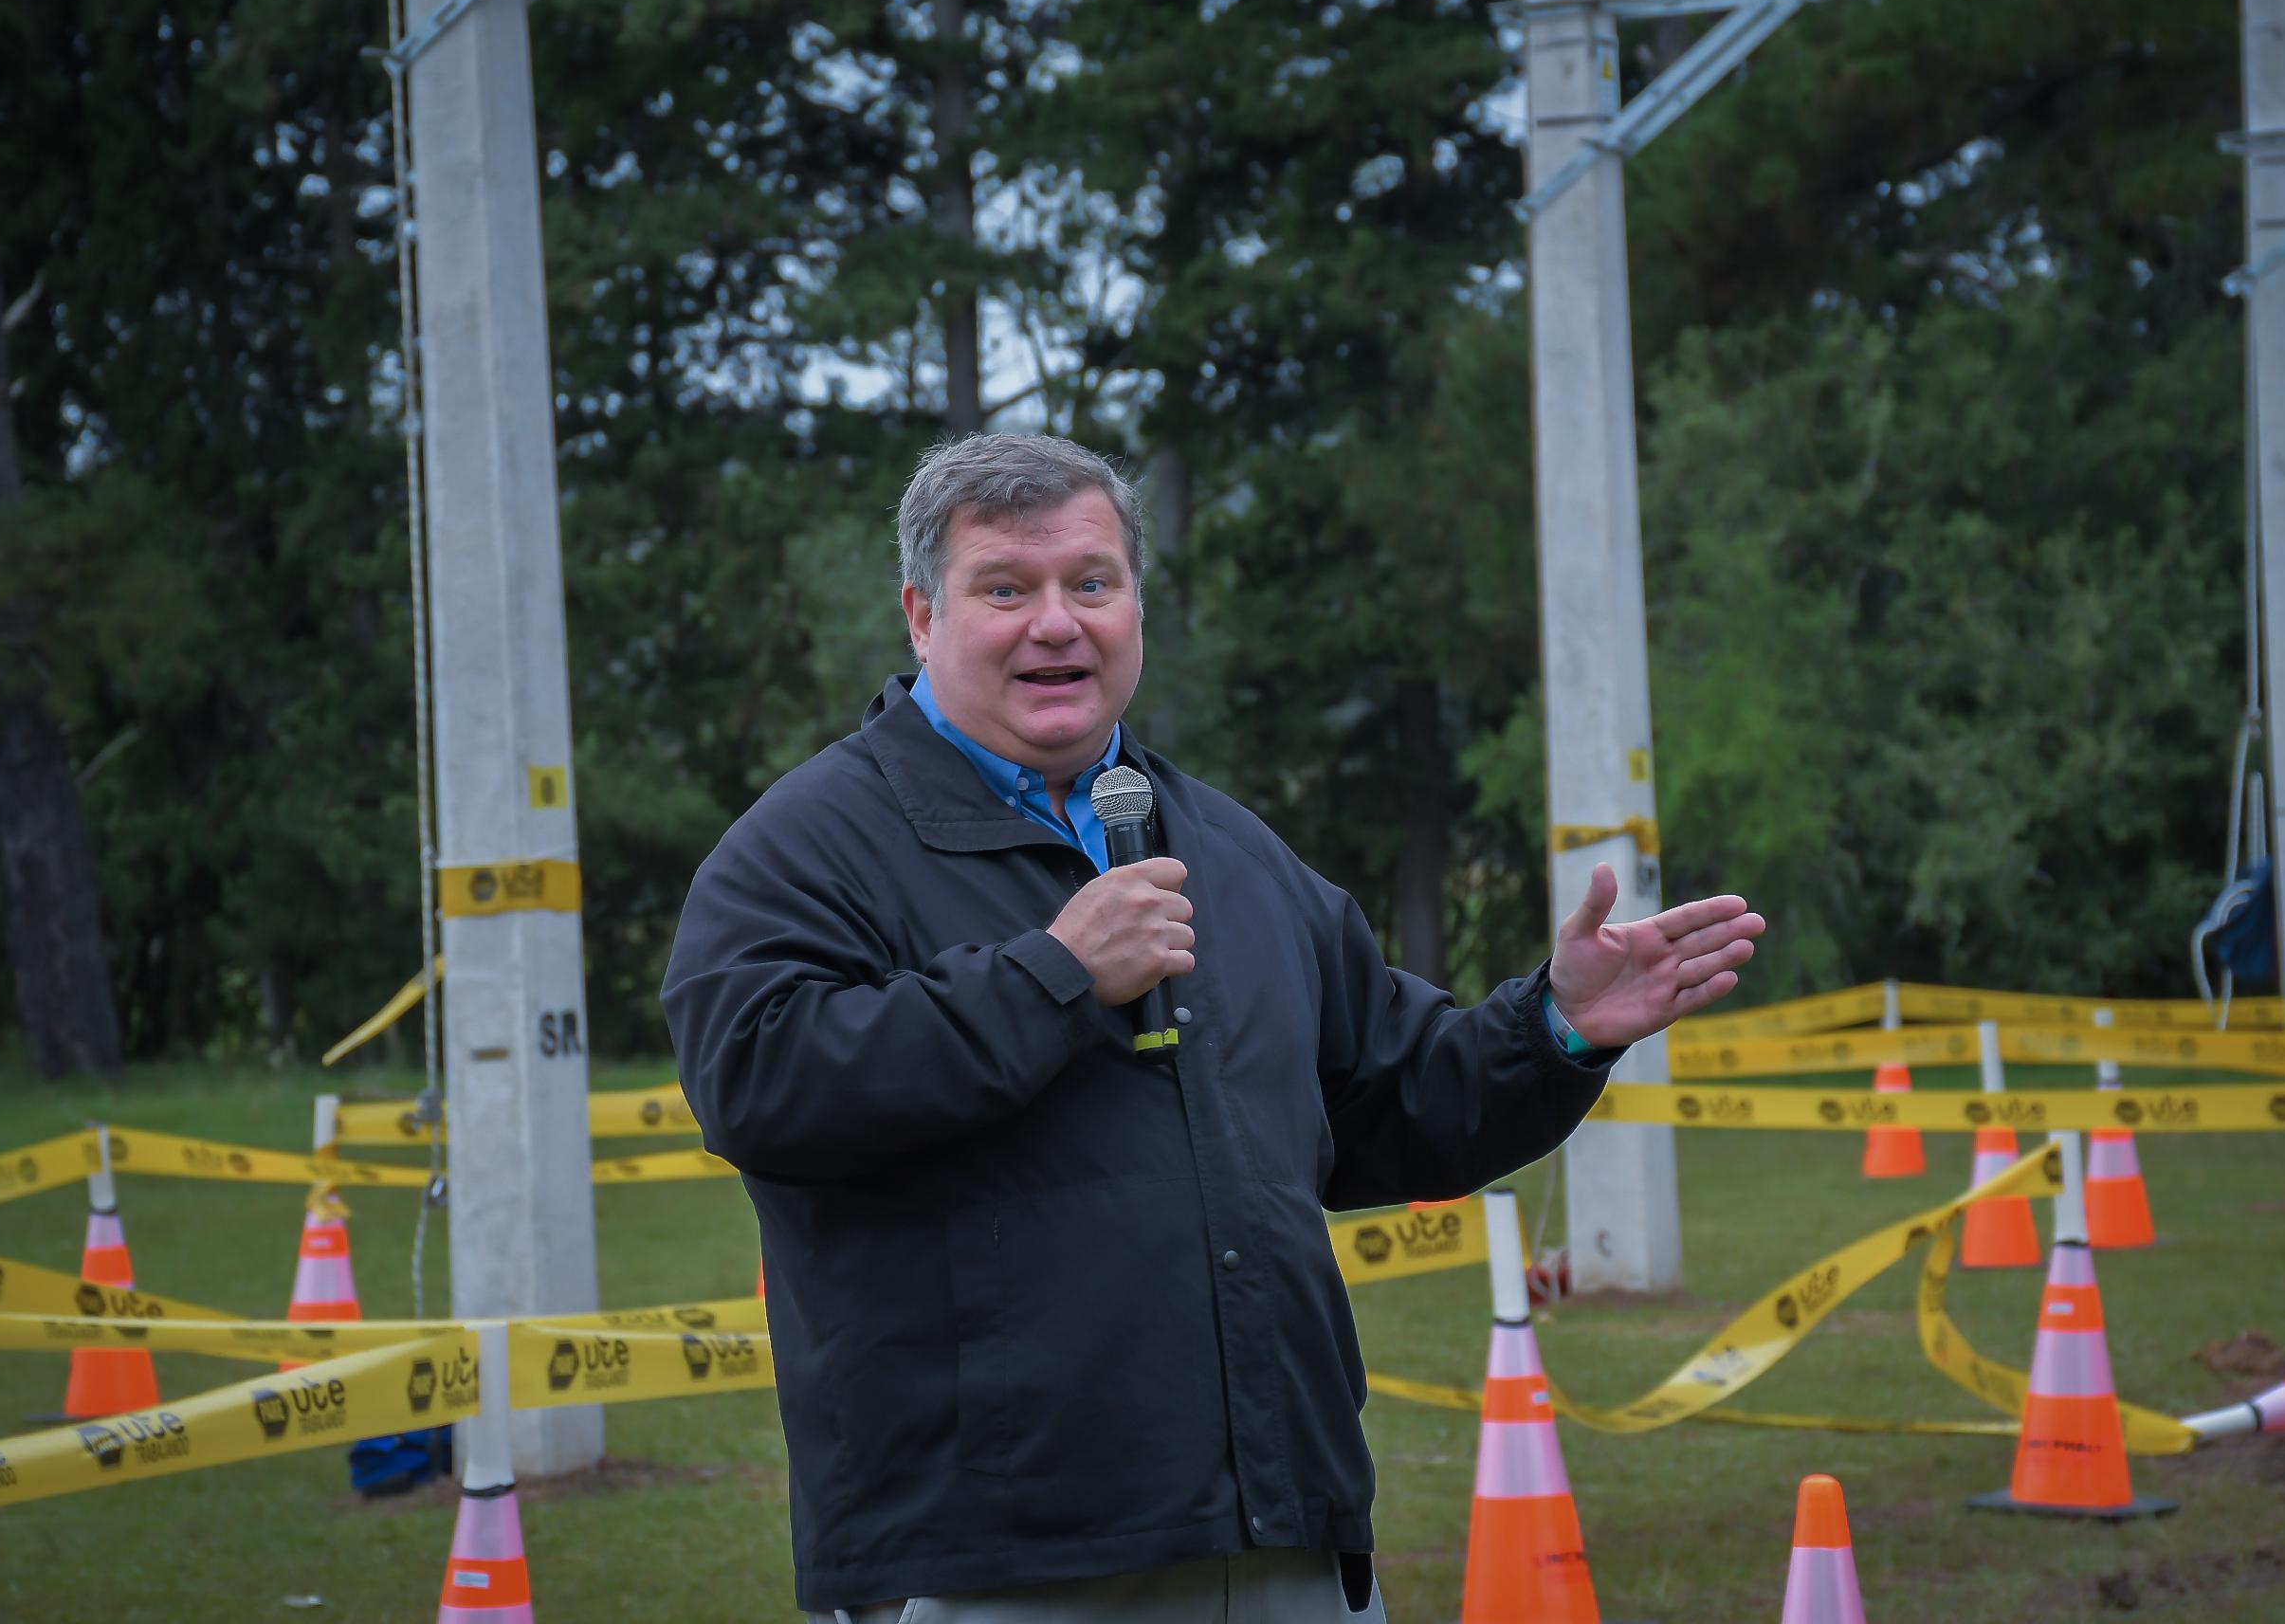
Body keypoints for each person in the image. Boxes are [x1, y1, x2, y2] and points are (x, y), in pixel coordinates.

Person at [664, 432, 1764, 1624]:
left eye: (1092, 582)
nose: (1057, 622)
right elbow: (758, 1079)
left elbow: (1394, 1096)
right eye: (1005, 588)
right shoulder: (809, 842)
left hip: (1281, 1533)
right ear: (923, 616)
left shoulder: (1230, 850)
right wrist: (1050, 977)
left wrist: (1557, 1024)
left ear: (1138, 605)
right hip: (992, 1564)